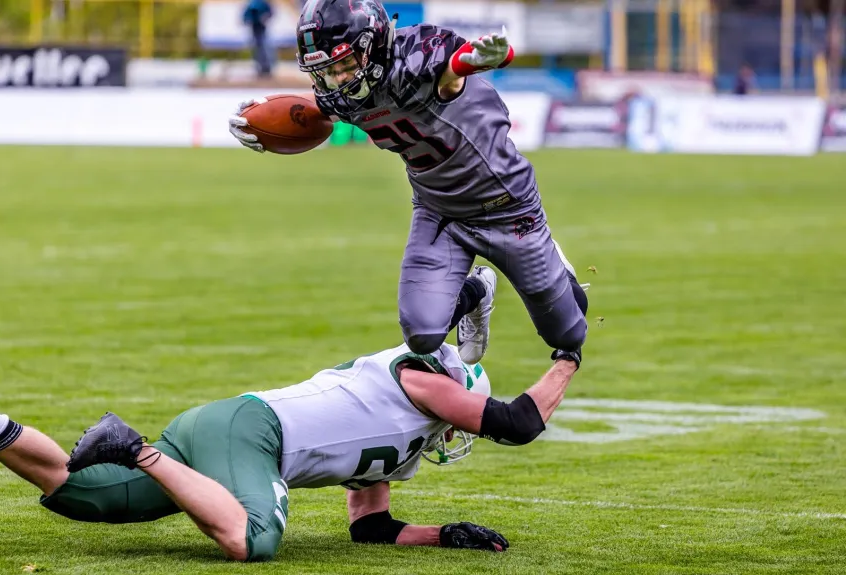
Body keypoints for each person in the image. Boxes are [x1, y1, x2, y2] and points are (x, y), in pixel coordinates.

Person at [0, 334, 580, 562]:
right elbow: (517, 421)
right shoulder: (425, 379)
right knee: (255, 540)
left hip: (222, 427)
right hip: (253, 432)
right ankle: (136, 446)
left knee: (85, 495)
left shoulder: (411, 437)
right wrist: (565, 355)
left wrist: (443, 534)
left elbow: (369, 524)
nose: (465, 427)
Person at [229, 0, 590, 367]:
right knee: (422, 334)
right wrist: (260, 115)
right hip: (439, 212)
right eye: (326, 70)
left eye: (346, 65)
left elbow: (452, 70)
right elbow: (318, 110)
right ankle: (478, 290)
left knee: (569, 333)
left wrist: (479, 57)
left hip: (506, 205)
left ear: (375, 44)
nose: (338, 79)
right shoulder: (345, 89)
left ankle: (556, 265)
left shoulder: (416, 58)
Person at [244, 0, 274, 79]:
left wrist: (265, 17)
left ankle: (266, 69)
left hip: (261, 29)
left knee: (264, 48)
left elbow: (270, 13)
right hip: (255, 28)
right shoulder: (252, 3)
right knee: (257, 49)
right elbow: (246, 15)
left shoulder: (262, 3)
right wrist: (247, 20)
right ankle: (260, 69)